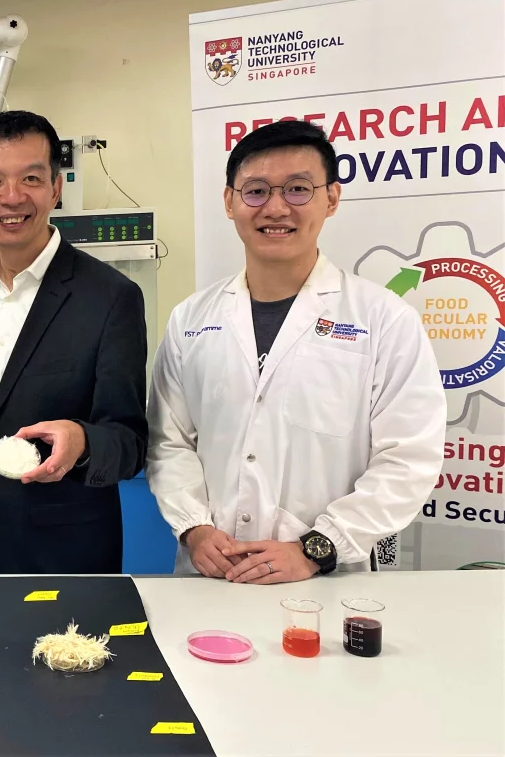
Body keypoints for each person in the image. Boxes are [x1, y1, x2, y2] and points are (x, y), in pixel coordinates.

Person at [146, 120, 445, 583]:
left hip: (327, 578)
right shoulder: (191, 319)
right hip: (210, 573)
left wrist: (317, 547)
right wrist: (195, 529)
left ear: (332, 198)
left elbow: (408, 458)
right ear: (230, 202)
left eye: (299, 189)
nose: (277, 207)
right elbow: (170, 441)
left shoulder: (383, 319)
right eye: (256, 191)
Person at [0, 110, 149, 575]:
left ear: (56, 188)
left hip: (69, 553)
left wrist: (83, 440)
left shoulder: (111, 297)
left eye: (30, 178)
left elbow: (129, 441)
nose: (12, 198)